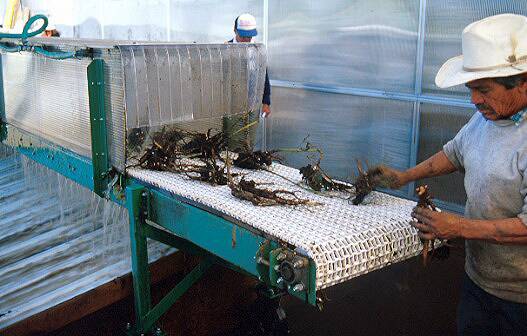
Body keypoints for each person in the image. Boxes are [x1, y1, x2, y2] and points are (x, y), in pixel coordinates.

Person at [380, 13, 527, 336]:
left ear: (523, 81)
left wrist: (459, 226)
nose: (474, 100)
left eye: (484, 90)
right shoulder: (487, 118)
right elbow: (454, 153)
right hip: (480, 281)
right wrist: (404, 177)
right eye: (471, 89)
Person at [227, 13, 271, 117]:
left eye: (249, 37)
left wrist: (266, 102)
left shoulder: (257, 50)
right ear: (235, 30)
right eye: (243, 36)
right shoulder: (226, 49)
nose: (247, 40)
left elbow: (263, 76)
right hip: (229, 104)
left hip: (251, 104)